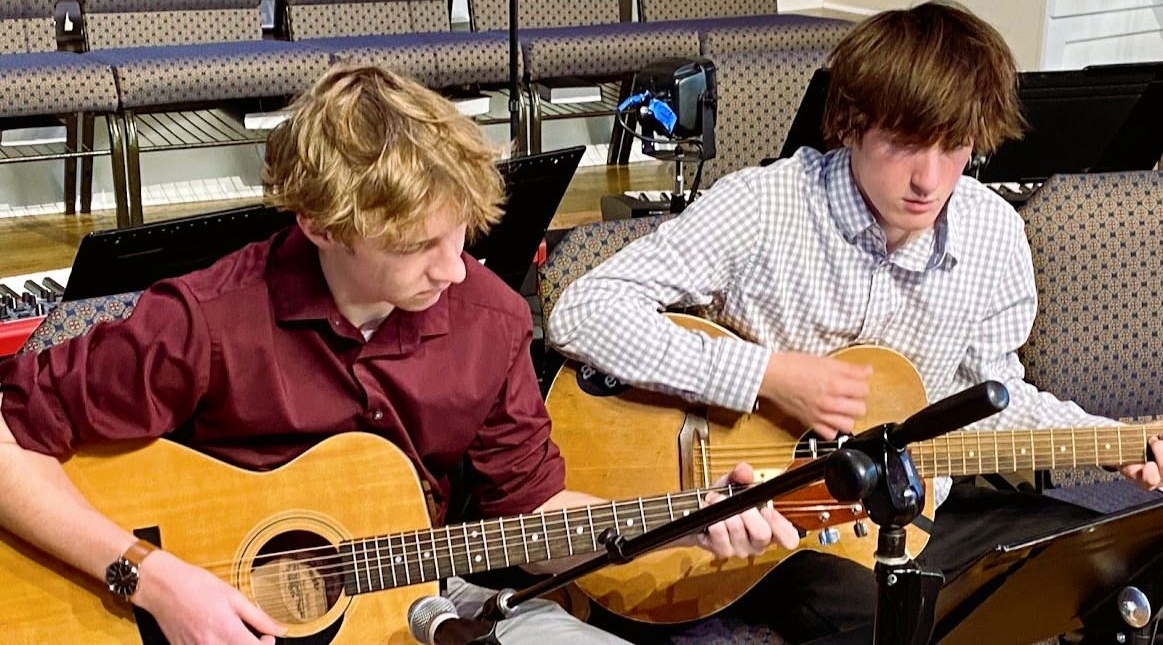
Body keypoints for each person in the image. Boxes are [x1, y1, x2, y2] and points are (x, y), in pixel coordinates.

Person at [0, 64, 798, 644]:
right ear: (320, 227)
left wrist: (682, 525)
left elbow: (533, 510)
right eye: (419, 247)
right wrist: (151, 577)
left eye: (462, 235)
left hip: (415, 598)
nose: (454, 270)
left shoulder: (486, 317)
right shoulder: (203, 321)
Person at [548, 1, 1163, 643]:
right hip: (766, 524)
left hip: (901, 517)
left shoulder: (995, 235)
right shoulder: (765, 205)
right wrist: (765, 375)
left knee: (1105, 563)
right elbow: (584, 311)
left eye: (952, 146)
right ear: (853, 125)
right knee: (890, 623)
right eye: (903, 142)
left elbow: (989, 399)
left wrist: (1115, 440)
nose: (928, 178)